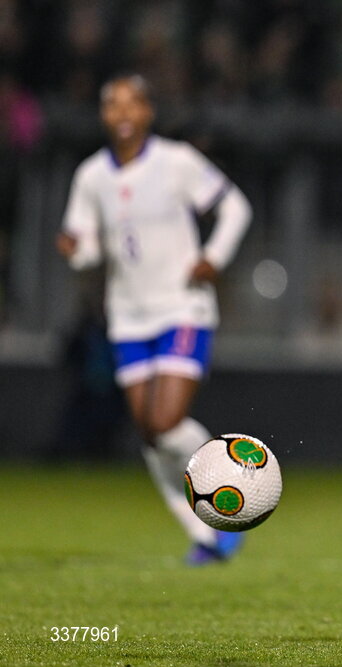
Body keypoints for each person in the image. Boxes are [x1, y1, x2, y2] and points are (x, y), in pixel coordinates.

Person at [56, 74, 252, 565]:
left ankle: (239, 474)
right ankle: (207, 534)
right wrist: (75, 250)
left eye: (132, 104)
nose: (122, 113)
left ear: (148, 112)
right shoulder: (91, 177)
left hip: (183, 307)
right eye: (112, 105)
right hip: (128, 317)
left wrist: (214, 256)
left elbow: (235, 207)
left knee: (164, 421)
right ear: (103, 115)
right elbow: (87, 249)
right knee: (148, 434)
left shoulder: (176, 162)